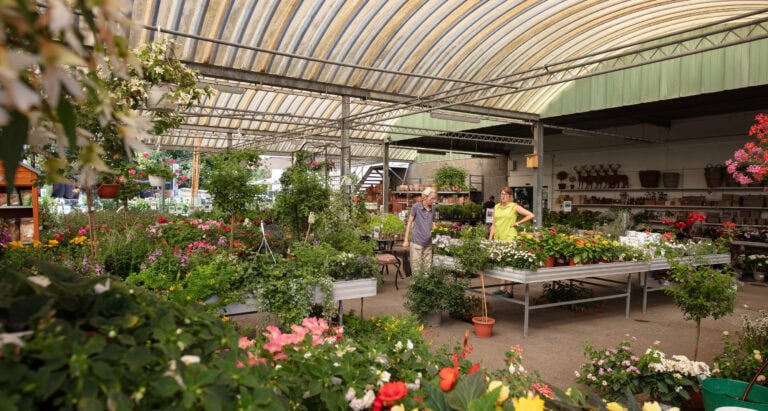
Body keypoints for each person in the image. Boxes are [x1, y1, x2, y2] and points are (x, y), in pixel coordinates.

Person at [488, 186, 535, 297]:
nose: (503, 196)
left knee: (509, 263)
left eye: (505, 194)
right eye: (502, 194)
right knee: (501, 262)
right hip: (498, 237)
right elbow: (493, 224)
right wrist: (490, 238)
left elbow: (531, 215)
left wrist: (518, 223)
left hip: (509, 237)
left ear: (510, 196)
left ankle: (509, 291)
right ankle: (502, 288)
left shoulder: (513, 206)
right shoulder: (496, 207)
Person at [403, 187, 437, 272]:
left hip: (428, 244)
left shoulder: (433, 209)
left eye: (434, 198)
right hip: (417, 242)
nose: (433, 201)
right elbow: (409, 223)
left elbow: (432, 223)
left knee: (427, 270)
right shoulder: (416, 207)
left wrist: (437, 232)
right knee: (416, 270)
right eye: (432, 198)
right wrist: (406, 239)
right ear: (425, 197)